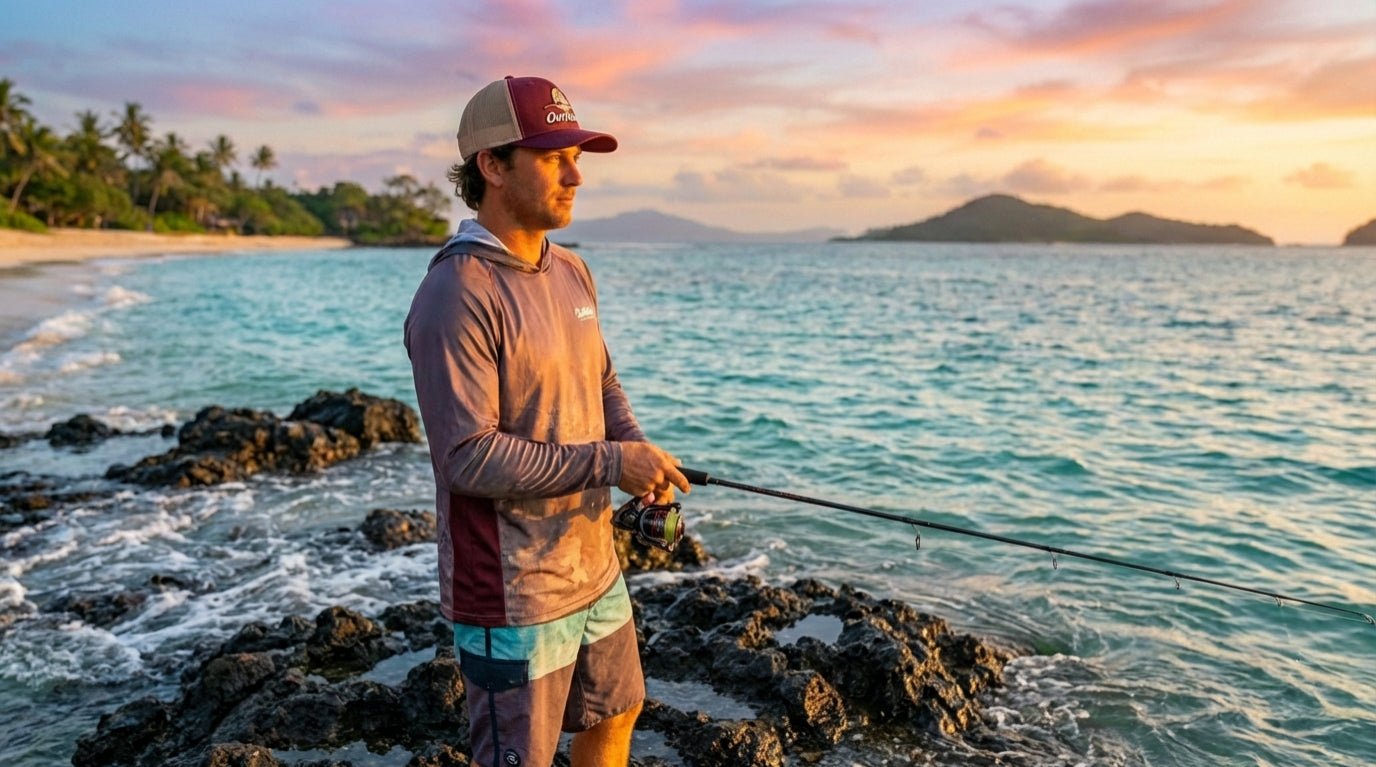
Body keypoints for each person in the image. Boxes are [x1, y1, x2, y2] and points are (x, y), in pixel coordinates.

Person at [404, 75, 690, 767]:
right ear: (493, 166)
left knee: (618, 711)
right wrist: (611, 463)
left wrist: (634, 447)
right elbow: (468, 457)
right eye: (553, 157)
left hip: (593, 565)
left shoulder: (572, 271)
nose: (575, 175)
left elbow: (602, 380)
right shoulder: (456, 291)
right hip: (513, 590)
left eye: (577, 156)